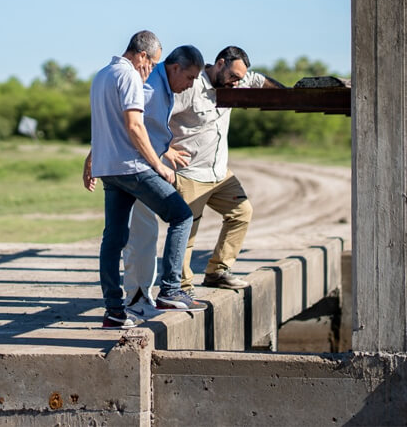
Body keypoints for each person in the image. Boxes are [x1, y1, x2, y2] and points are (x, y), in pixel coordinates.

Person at [120, 46, 285, 315]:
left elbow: (258, 80)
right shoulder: (190, 86)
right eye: (233, 76)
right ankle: (182, 288)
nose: (236, 83)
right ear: (220, 64)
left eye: (239, 78)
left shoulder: (235, 81)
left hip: (219, 173)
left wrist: (290, 95)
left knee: (242, 213)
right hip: (191, 174)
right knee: (187, 233)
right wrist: (166, 150)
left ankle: (218, 271)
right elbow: (148, 119)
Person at [87, 34, 206, 329]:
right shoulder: (130, 76)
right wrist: (158, 164)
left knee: (113, 239)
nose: (151, 70)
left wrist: (93, 158)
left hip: (110, 168)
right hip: (132, 166)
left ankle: (114, 311)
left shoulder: (102, 75)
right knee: (181, 216)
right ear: (142, 56)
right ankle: (170, 290)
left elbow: (103, 123)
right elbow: (134, 125)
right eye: (152, 64)